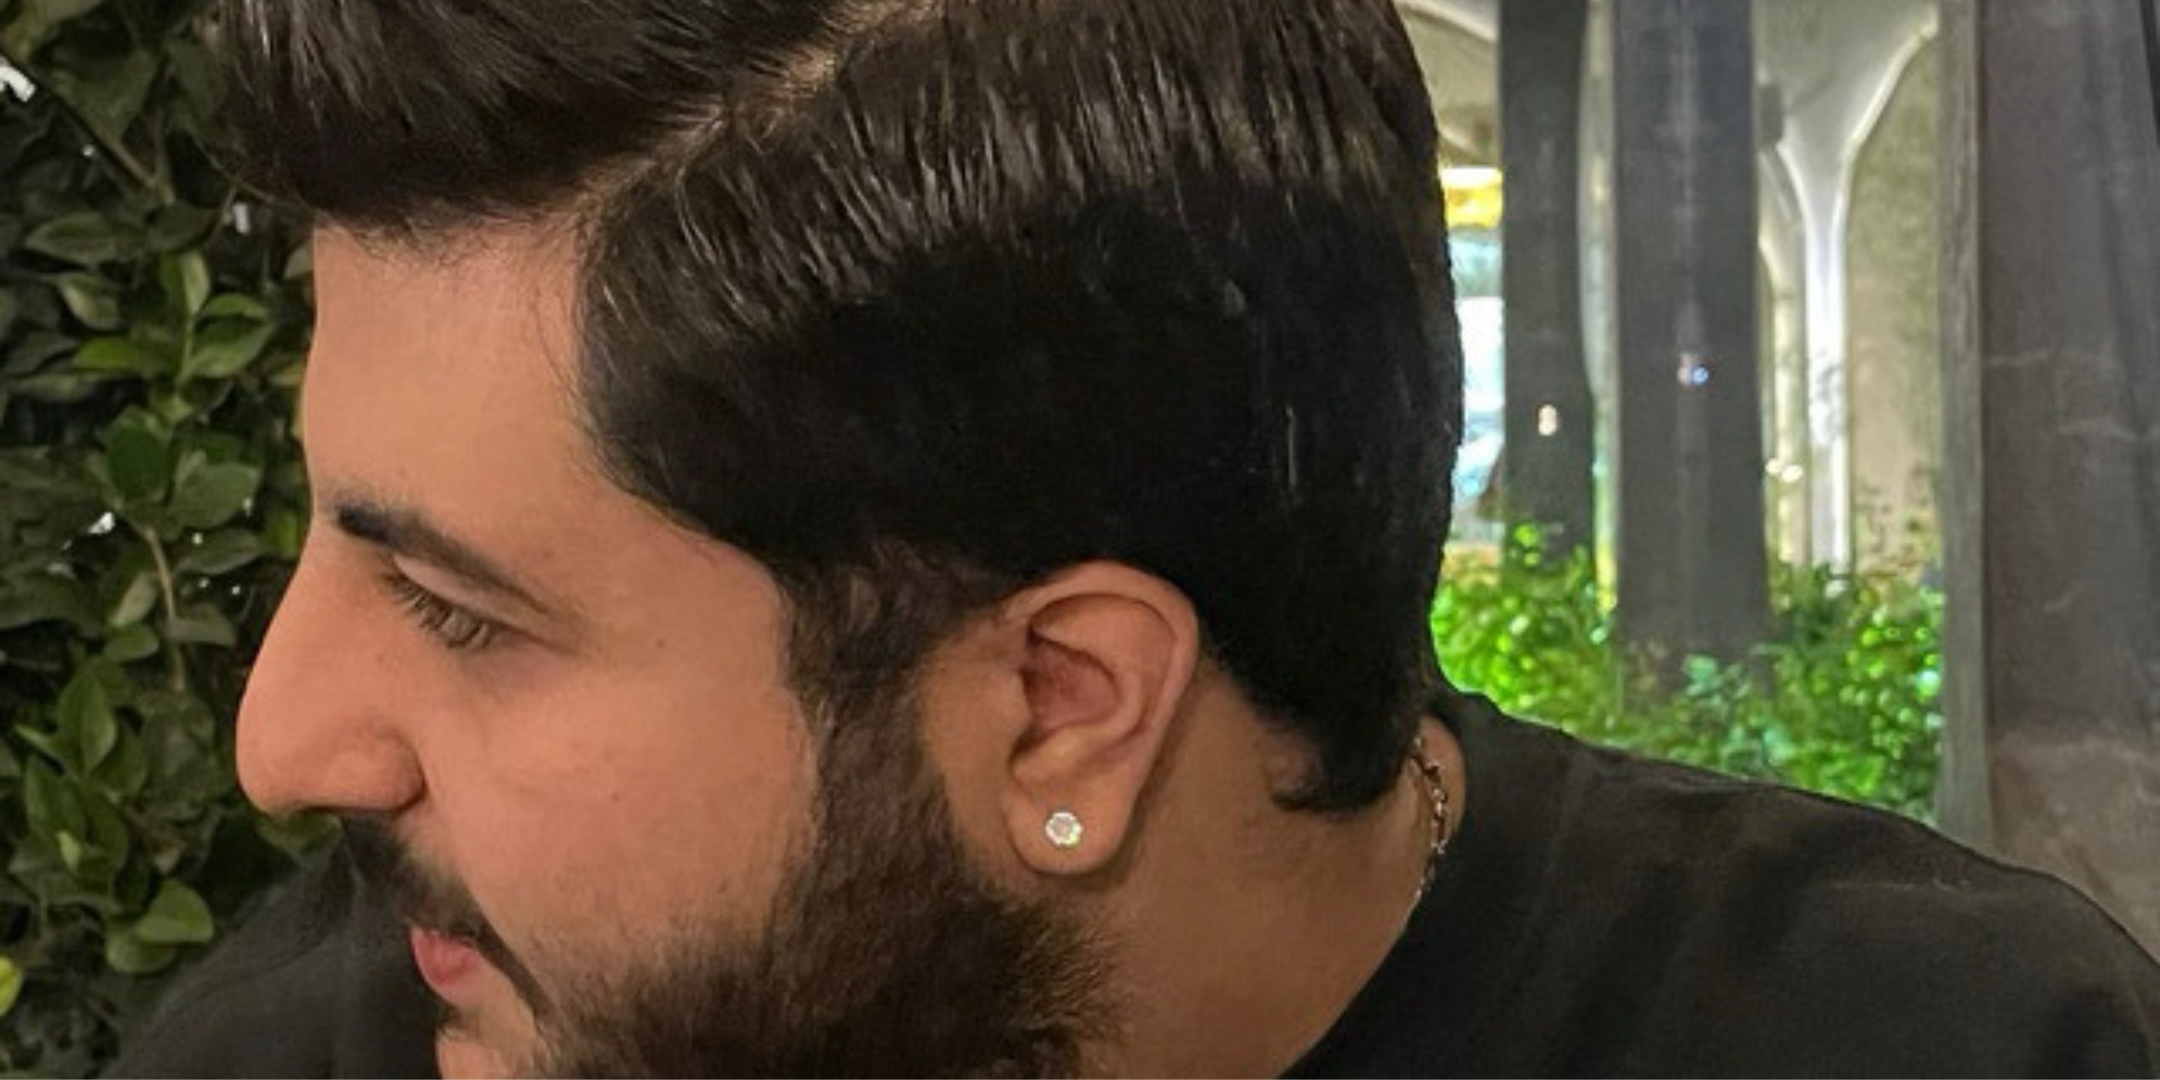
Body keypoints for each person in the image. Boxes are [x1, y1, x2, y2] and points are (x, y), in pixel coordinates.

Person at [114, 0, 2159, 1075]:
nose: (284, 740)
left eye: (459, 611)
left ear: (1065, 706)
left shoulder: (1951, 1049)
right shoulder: (329, 1056)